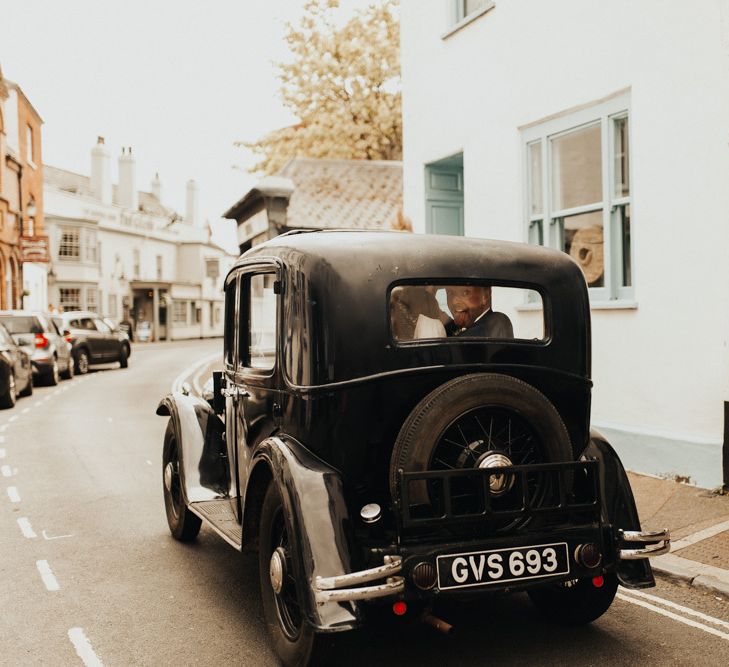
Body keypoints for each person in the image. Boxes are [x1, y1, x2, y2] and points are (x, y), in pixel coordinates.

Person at [445, 285, 513, 339]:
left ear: (485, 295)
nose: (454, 302)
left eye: (465, 293)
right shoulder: (461, 325)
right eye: (450, 293)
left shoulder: (497, 321)